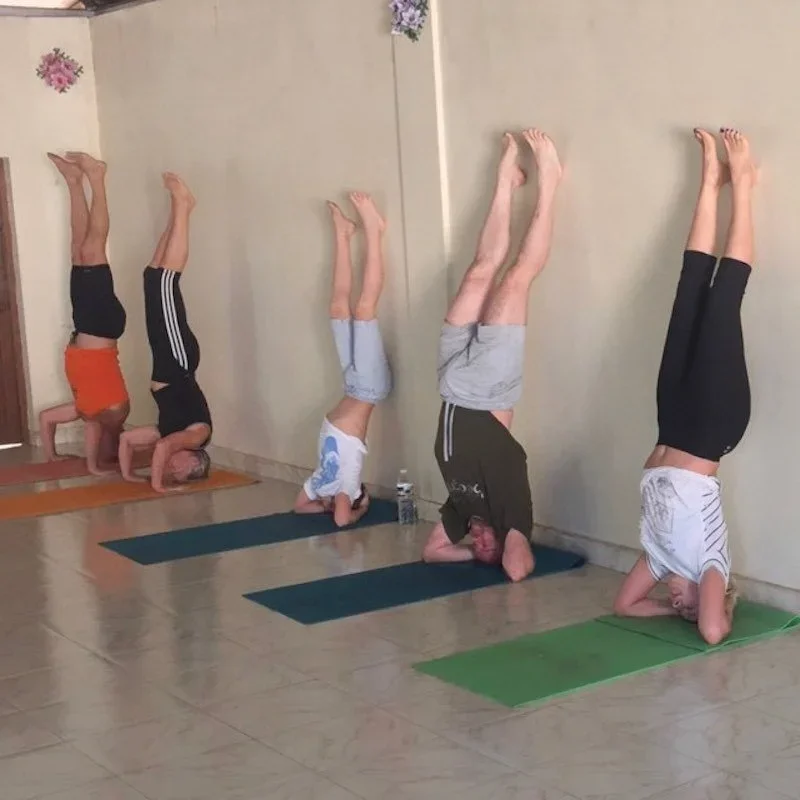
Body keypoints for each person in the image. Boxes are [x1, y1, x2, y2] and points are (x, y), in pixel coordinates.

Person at [613, 128, 757, 645]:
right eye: (689, 605)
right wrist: (701, 612)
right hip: (714, 424)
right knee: (723, 300)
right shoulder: (709, 564)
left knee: (690, 288)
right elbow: (714, 632)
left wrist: (668, 611)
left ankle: (710, 179)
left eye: (678, 608)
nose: (679, 603)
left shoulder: (658, 559)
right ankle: (743, 185)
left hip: (672, 421)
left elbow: (624, 605)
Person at [422, 129, 563, 582]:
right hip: (486, 389)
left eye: (477, 549)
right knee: (518, 276)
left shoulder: (460, 513)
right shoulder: (511, 509)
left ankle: (507, 180)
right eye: (490, 549)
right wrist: (507, 543)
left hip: (449, 379)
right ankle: (550, 181)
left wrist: (468, 551)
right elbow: (518, 571)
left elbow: (433, 552)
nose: (481, 544)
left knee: (480, 270)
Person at [293, 193, 391, 527]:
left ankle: (343, 233)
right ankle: (375, 231)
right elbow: (341, 522)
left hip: (351, 384)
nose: (326, 503)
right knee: (364, 309)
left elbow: (299, 507)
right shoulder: (346, 487)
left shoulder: (318, 484)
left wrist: (318, 504)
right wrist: (360, 507)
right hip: (369, 387)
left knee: (337, 306)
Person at [118, 173, 212, 492]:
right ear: (194, 462)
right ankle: (183, 206)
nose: (174, 469)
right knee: (166, 281)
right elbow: (162, 448)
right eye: (180, 472)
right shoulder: (196, 437)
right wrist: (158, 485)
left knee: (151, 278)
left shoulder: (168, 432)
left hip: (166, 360)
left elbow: (128, 440)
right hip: (178, 359)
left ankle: (179, 209)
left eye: (173, 474)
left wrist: (130, 475)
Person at [39, 152, 129, 475]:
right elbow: (100, 425)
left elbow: (46, 419)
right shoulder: (114, 412)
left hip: (85, 323)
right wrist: (105, 463)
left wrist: (52, 456)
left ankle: (74, 181)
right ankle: (97, 177)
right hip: (102, 324)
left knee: (78, 248)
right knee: (92, 250)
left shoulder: (86, 411)